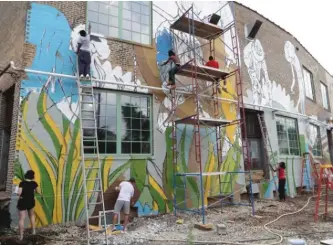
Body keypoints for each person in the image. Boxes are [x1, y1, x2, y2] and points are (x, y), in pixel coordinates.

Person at [17, 170, 39, 241]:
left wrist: (19, 194)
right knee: (32, 216)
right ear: (33, 176)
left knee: (21, 219)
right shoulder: (34, 183)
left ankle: (21, 236)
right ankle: (34, 231)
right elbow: (38, 192)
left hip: (23, 201)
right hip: (30, 201)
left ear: (26, 175)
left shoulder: (22, 183)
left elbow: (19, 193)